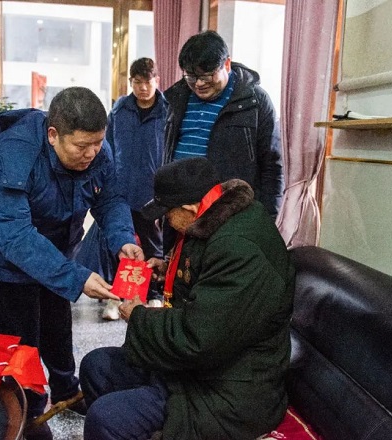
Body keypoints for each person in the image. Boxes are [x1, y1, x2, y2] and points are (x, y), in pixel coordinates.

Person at [80, 157, 295, 440]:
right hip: (200, 368)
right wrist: (167, 270)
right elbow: (208, 284)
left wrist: (139, 316)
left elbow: (197, 338)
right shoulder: (214, 217)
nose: (165, 221)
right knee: (96, 366)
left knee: (106, 419)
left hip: (231, 389)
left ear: (190, 208)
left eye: (167, 213)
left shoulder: (239, 248)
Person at [0, 86, 144, 438]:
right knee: (22, 336)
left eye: (97, 143)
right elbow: (15, 236)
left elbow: (110, 199)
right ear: (53, 135)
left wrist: (123, 239)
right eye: (82, 146)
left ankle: (66, 389)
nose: (91, 153)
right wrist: (76, 276)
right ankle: (29, 410)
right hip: (9, 250)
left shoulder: (96, 151)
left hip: (57, 243)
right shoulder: (15, 154)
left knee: (57, 318)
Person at [164, 30, 283, 219]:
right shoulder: (175, 97)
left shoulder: (255, 101)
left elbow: (272, 167)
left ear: (226, 64)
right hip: (180, 211)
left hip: (229, 213)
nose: (199, 84)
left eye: (206, 76)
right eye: (191, 77)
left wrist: (267, 218)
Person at [99, 57, 168, 320]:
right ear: (131, 82)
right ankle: (117, 298)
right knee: (120, 246)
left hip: (153, 193)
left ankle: (154, 295)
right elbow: (107, 148)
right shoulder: (119, 110)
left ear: (157, 81)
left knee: (153, 247)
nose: (143, 87)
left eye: (147, 81)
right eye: (137, 82)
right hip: (121, 191)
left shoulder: (168, 111)